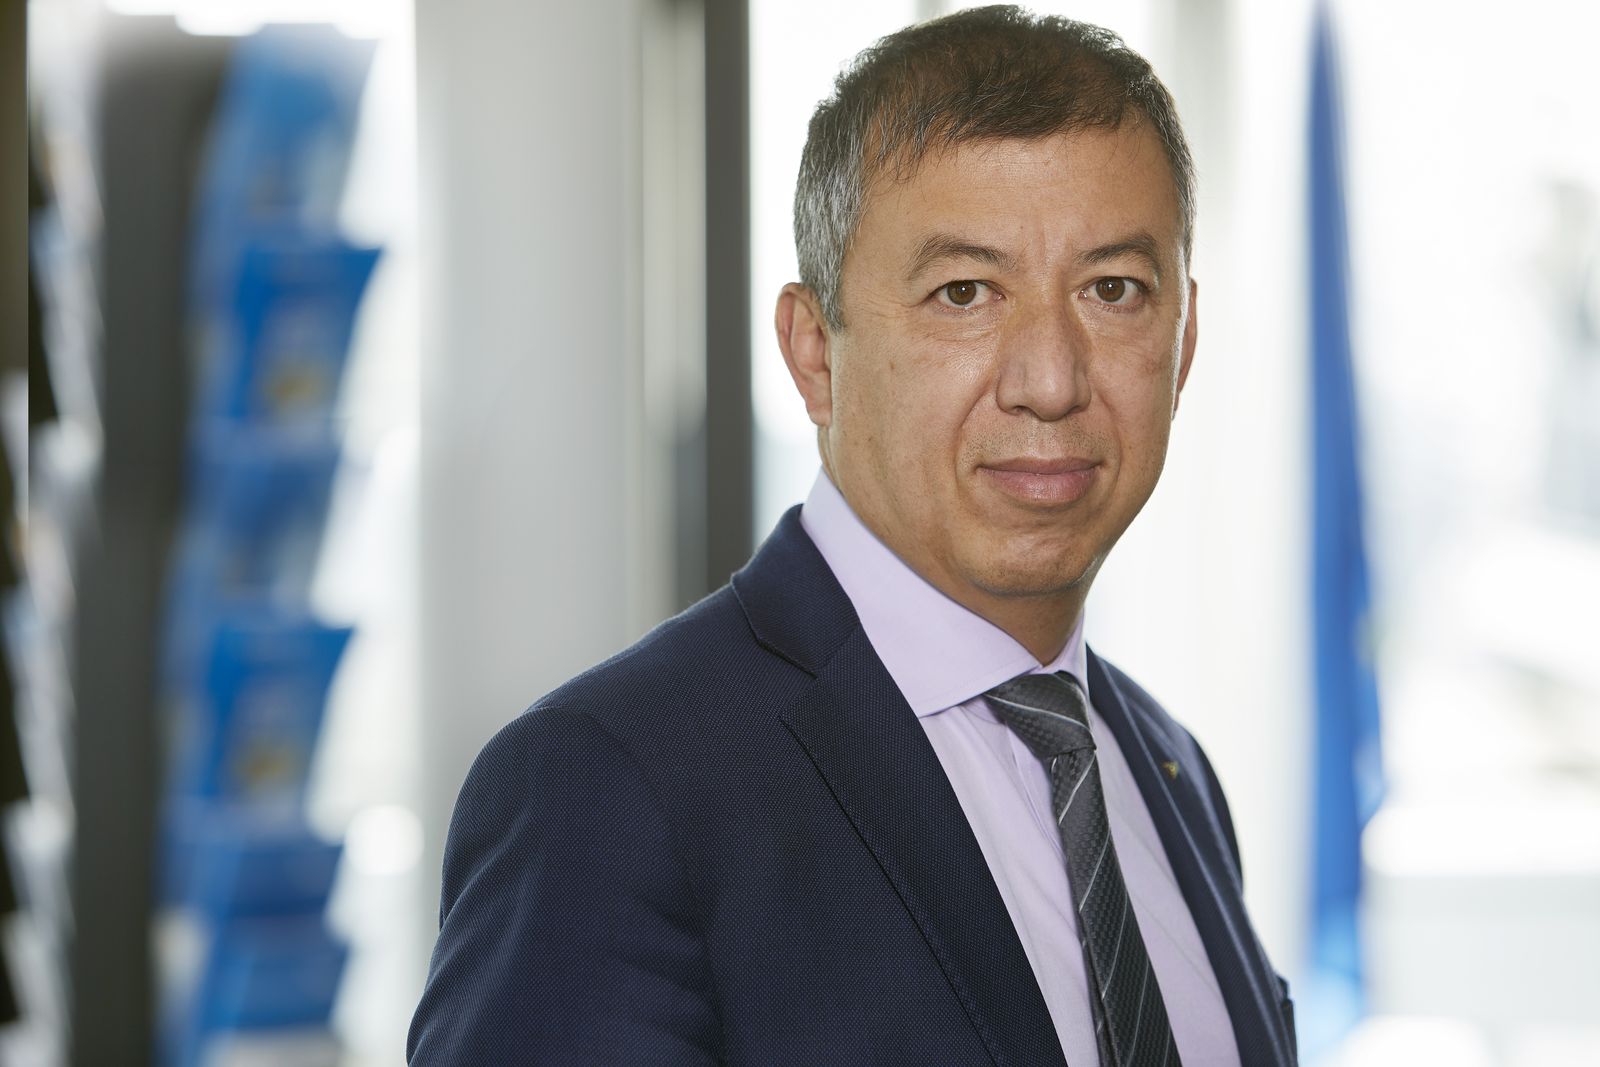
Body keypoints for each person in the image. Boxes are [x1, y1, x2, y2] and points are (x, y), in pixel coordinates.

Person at [408, 7, 1296, 1065]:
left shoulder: (1169, 769)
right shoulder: (614, 789)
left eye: (1114, 290)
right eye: (964, 293)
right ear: (814, 353)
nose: (1051, 379)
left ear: (1182, 342)